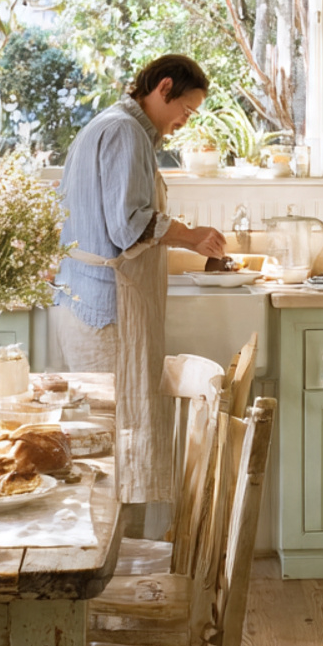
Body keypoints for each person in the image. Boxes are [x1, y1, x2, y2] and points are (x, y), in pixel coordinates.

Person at [55, 54, 226, 506]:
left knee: (104, 435)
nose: (185, 122)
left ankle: (111, 543)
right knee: (117, 435)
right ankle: (116, 546)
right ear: (163, 88)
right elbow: (128, 224)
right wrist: (192, 236)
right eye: (185, 109)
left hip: (87, 303)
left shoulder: (111, 124)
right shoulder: (125, 132)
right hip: (106, 309)